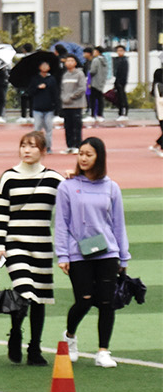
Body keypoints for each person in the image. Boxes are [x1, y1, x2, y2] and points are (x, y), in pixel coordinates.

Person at [54, 137, 129, 368]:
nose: (83, 158)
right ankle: (70, 337)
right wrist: (63, 255)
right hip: (79, 253)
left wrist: (123, 256)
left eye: (89, 154)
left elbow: (118, 223)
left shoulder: (111, 187)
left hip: (107, 253)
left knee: (107, 302)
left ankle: (103, 351)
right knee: (84, 301)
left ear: (99, 157)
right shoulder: (67, 186)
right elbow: (62, 223)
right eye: (81, 154)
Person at [0, 131, 62, 367]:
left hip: (42, 245)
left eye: (32, 146)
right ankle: (15, 333)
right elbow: (1, 214)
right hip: (15, 244)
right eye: (23, 145)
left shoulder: (54, 179)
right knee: (24, 291)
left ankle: (35, 348)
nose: (27, 150)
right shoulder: (9, 177)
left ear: (43, 151)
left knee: (39, 298)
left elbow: (70, 201)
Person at [59, 55, 85, 153]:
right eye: (67, 61)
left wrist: (71, 97)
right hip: (66, 105)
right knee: (68, 126)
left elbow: (82, 88)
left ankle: (78, 146)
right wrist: (63, 98)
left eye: (71, 61)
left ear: (75, 63)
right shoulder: (64, 75)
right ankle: (69, 146)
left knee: (76, 126)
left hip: (76, 104)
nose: (69, 63)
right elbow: (62, 89)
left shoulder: (79, 74)